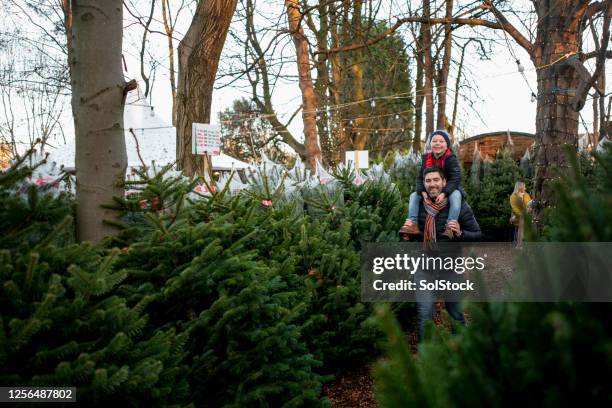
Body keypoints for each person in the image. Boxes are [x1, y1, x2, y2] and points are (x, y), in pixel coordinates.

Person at [399, 166, 482, 341]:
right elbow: (412, 239)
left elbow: (477, 235)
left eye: (436, 180)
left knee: (456, 314)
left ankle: (461, 354)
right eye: (428, 181)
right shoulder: (417, 206)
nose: (432, 184)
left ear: (444, 182)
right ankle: (426, 360)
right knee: (424, 314)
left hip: (451, 268)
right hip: (424, 269)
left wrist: (460, 233)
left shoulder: (459, 206)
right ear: (423, 184)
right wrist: (408, 236)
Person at [401, 129, 464, 239]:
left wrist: (444, 193)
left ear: (447, 145)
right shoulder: (426, 158)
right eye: (434, 141)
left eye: (441, 141)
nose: (438, 143)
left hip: (449, 188)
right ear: (430, 144)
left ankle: (450, 226)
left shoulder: (451, 158)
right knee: (414, 196)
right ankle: (413, 224)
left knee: (456, 196)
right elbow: (420, 177)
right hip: (430, 189)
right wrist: (422, 192)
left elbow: (456, 178)